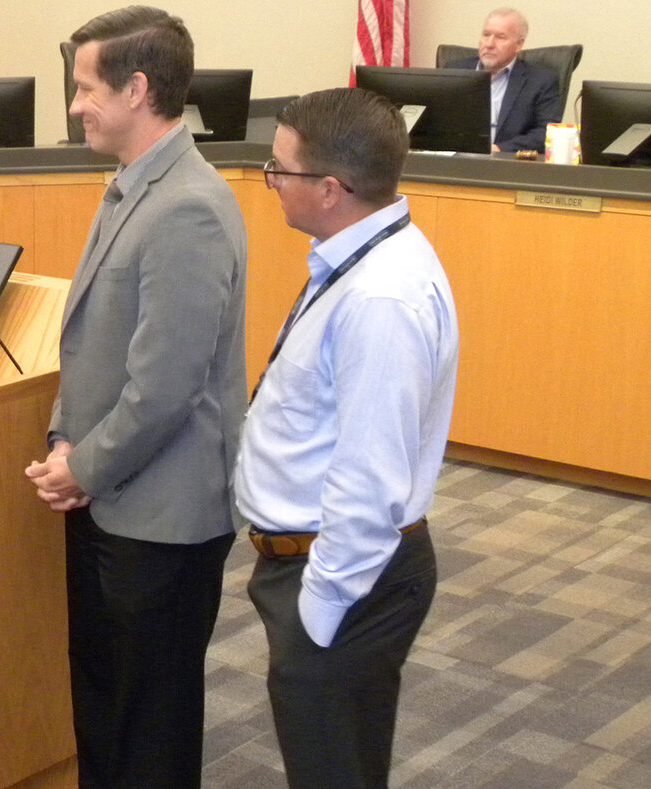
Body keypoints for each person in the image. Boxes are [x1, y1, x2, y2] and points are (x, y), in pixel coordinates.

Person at [22, 7, 247, 787]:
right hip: (105, 493)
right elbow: (90, 344)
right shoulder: (129, 185)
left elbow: (166, 386)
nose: (76, 104)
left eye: (86, 88)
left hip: (162, 517)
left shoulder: (189, 206)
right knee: (103, 700)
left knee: (150, 725)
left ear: (138, 89)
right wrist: (63, 440)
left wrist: (82, 466)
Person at [236, 87, 459, 788]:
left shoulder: (379, 298)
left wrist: (319, 613)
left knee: (334, 768)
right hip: (316, 569)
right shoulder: (359, 257)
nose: (270, 182)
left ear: (330, 189)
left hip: (341, 579)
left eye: (280, 169)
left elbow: (370, 477)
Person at [445, 8, 561, 153]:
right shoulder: (454, 71)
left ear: (519, 44)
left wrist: (500, 148)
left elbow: (547, 133)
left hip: (508, 166)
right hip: (457, 160)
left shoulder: (541, 81)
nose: (489, 44)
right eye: (486, 35)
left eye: (500, 37)